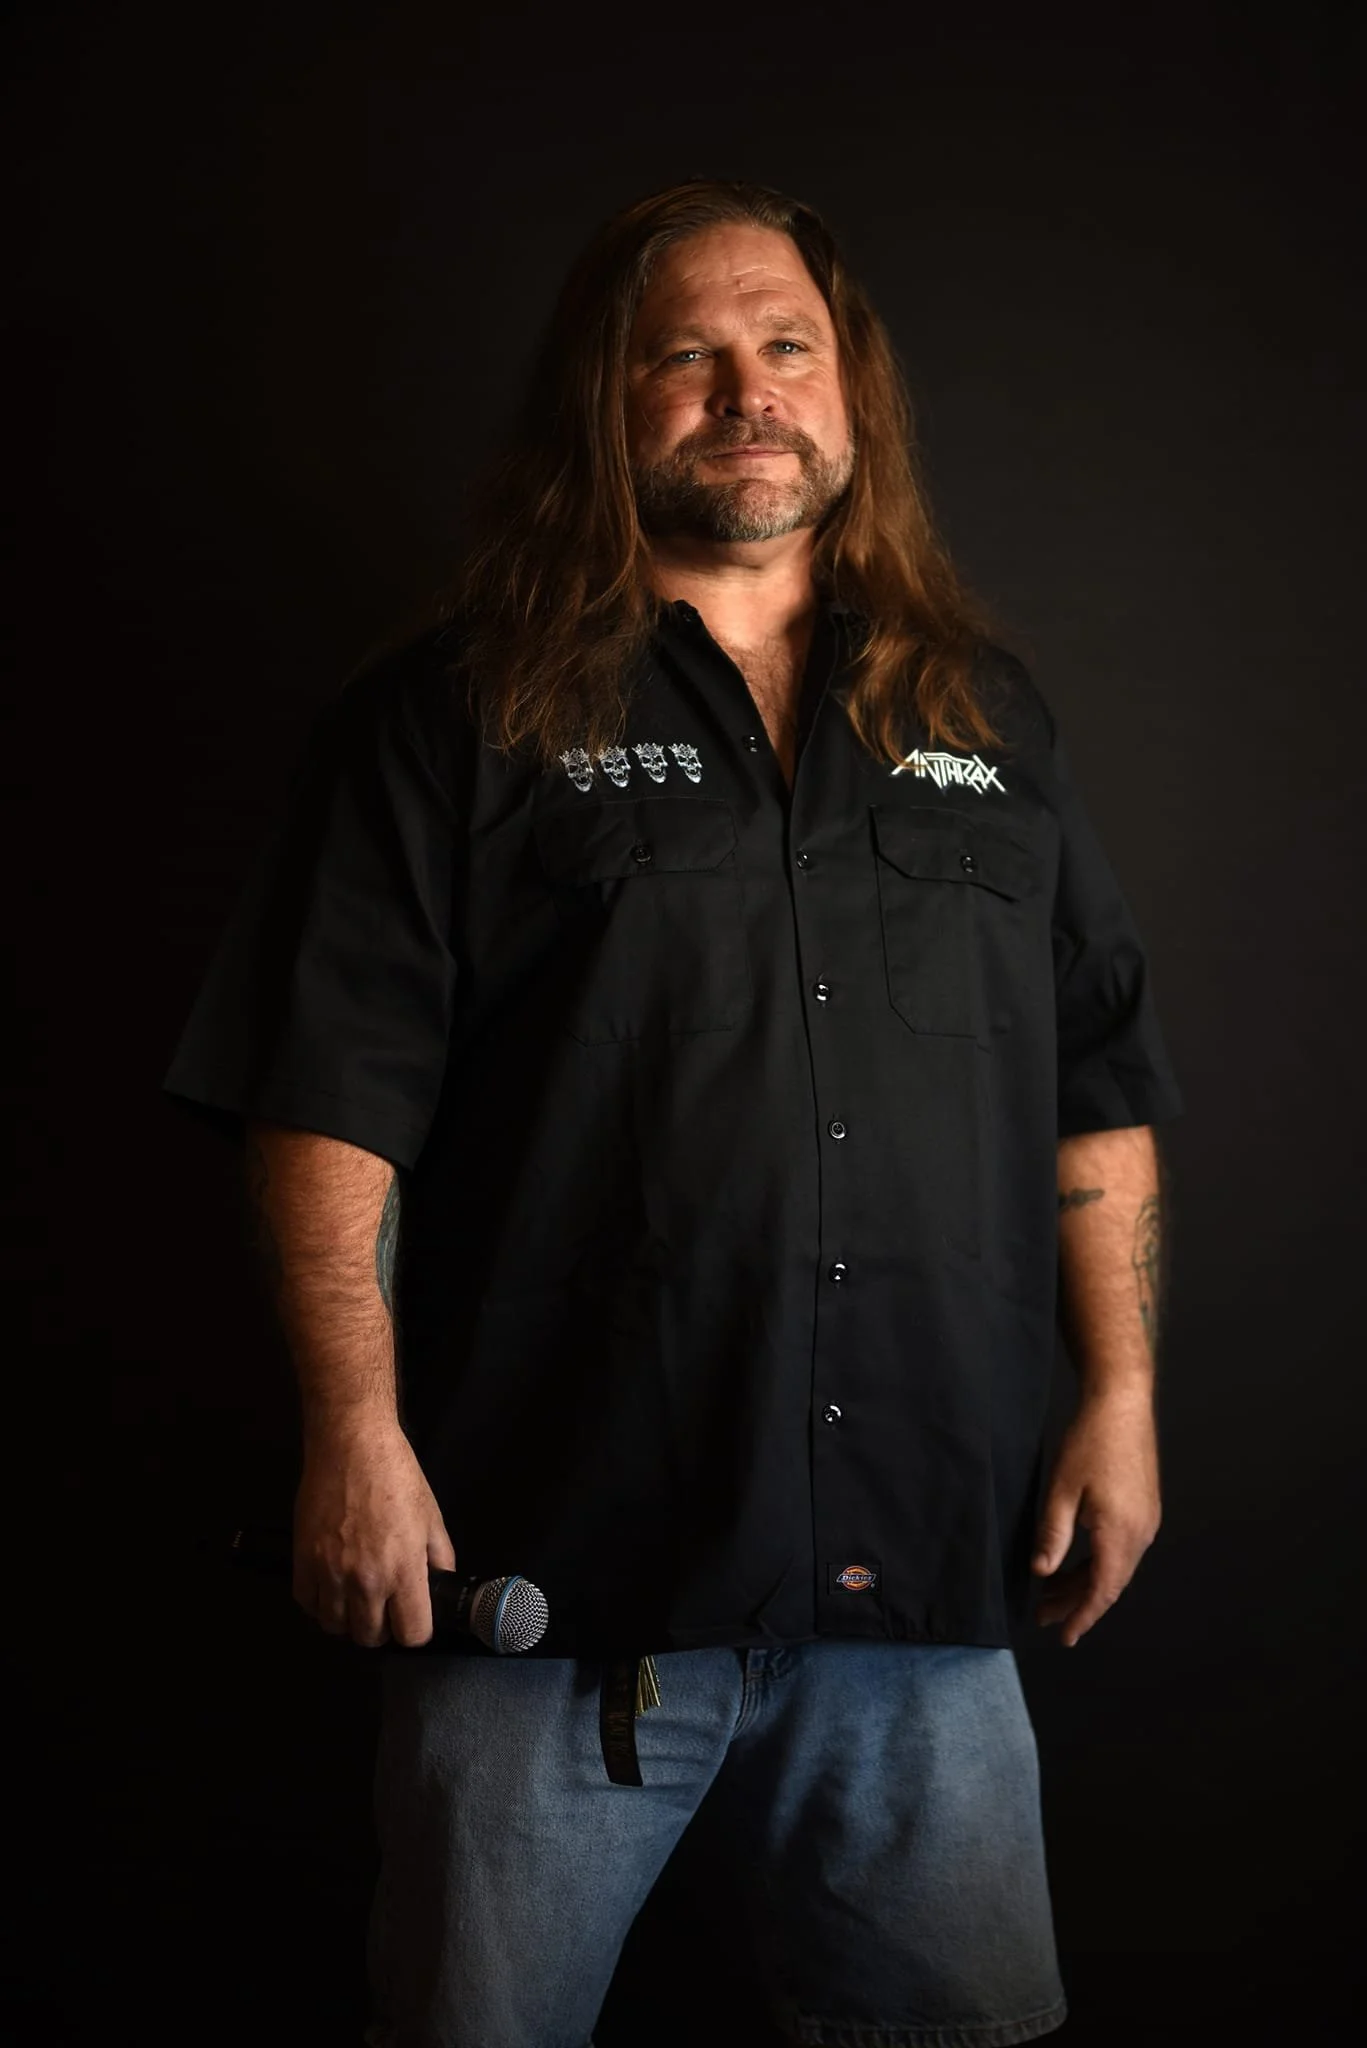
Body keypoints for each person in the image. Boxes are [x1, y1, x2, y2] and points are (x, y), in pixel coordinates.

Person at [163, 178, 1183, 2048]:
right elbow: (328, 1102)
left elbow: (1095, 1086)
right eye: (684, 358)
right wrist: (352, 1429)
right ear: (604, 405)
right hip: (555, 1590)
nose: (746, 390)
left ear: (847, 395)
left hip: (920, 1602)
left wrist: (1116, 1393)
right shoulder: (449, 717)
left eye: (784, 346)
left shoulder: (986, 722)